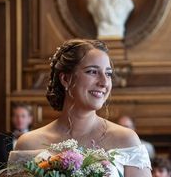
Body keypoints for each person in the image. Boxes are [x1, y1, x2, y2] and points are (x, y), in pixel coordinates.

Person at [11, 39, 152, 177]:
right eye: (92, 72)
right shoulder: (28, 144)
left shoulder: (126, 140)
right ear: (65, 79)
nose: (104, 82)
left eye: (108, 74)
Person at [0, 103, 34, 171]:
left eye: (23, 116)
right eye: (16, 116)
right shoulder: (2, 138)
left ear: (30, 119)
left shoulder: (35, 137)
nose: (19, 120)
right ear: (12, 118)